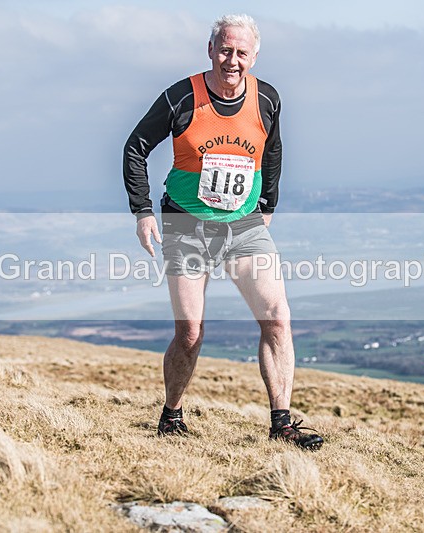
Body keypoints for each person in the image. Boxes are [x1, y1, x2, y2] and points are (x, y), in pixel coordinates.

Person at [122, 13, 323, 450]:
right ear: (211, 49)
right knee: (190, 331)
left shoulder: (266, 98)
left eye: (242, 53)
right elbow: (135, 146)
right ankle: (171, 415)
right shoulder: (180, 98)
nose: (233, 60)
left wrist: (268, 204)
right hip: (185, 226)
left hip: (245, 226)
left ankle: (281, 424)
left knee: (277, 318)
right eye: (225, 50)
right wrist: (143, 211)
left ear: (254, 56)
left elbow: (273, 151)